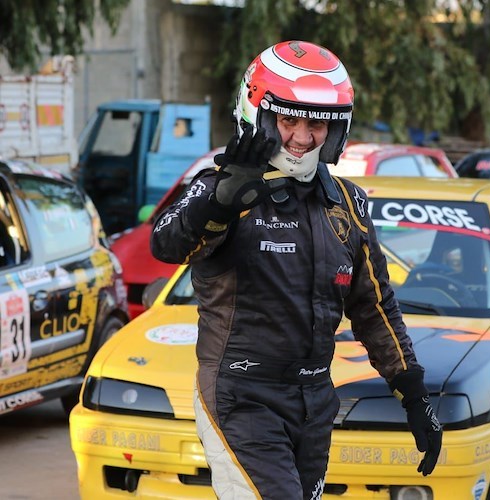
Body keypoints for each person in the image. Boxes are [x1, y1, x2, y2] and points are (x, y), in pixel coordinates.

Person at [151, 40, 442, 499]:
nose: (302, 138)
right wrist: (220, 202)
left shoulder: (348, 202)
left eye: (317, 123)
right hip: (239, 396)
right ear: (260, 115)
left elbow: (374, 306)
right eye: (289, 120)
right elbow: (165, 244)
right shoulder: (222, 187)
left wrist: (413, 393)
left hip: (314, 401)